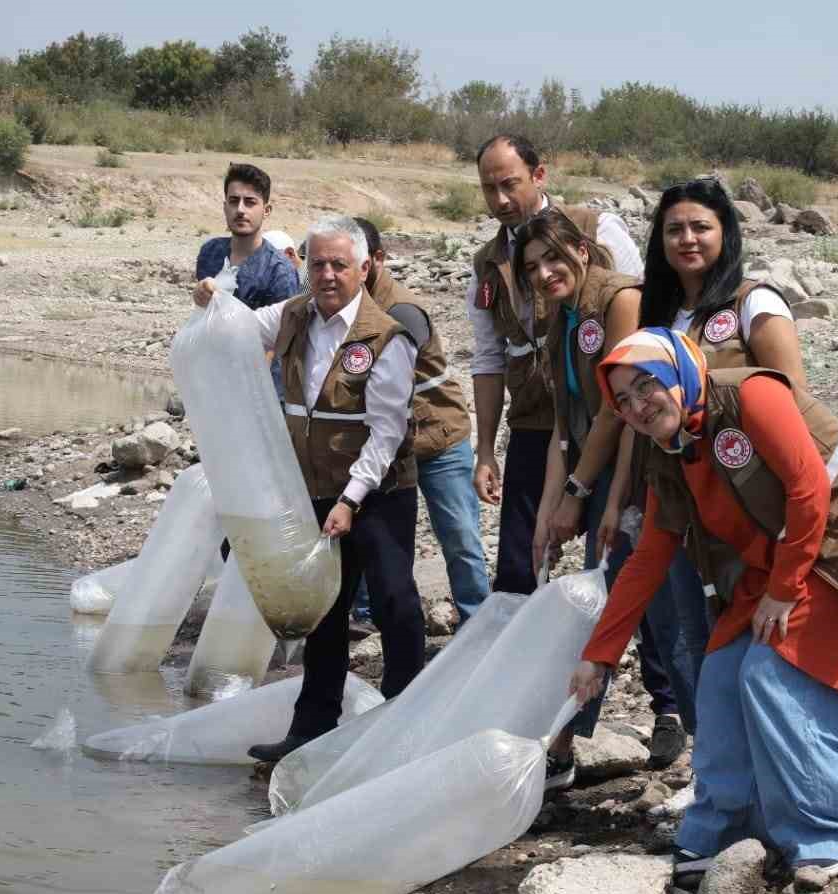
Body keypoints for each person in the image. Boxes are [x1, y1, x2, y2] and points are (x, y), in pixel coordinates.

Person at [568, 328, 838, 880]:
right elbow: (649, 557)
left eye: (646, 385)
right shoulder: (669, 452)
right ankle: (728, 830)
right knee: (721, 676)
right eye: (622, 401)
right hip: (783, 566)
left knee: (772, 673)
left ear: (680, 371)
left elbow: (807, 489)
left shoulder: (750, 395)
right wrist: (600, 654)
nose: (637, 407)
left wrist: (783, 589)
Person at [194, 216, 426, 762]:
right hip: (312, 490)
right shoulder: (295, 315)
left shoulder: (385, 335)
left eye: (339, 265)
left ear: (365, 269)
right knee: (324, 610)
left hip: (378, 491)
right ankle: (312, 728)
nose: (326, 275)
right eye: (317, 264)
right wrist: (213, 300)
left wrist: (351, 501)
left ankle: (405, 722)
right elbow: (239, 329)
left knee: (394, 601)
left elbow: (387, 432)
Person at [625, 175, 812, 769]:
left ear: (725, 233)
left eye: (701, 226)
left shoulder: (754, 304)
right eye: (674, 228)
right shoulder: (655, 314)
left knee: (755, 635)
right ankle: (717, 764)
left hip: (753, 509)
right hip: (683, 503)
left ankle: (777, 765)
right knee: (688, 631)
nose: (687, 239)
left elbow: (796, 407)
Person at [466, 133, 642, 598]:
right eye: (489, 189)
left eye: (510, 184)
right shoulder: (487, 264)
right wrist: (485, 448)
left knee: (616, 559)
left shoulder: (595, 230)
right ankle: (522, 659)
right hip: (539, 418)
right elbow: (487, 359)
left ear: (539, 175)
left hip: (613, 417)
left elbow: (642, 317)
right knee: (523, 558)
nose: (501, 200)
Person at [511, 208, 640, 789]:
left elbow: (622, 408)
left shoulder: (619, 300)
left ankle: (692, 741)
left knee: (647, 616)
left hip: (636, 479)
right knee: (593, 612)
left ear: (582, 249)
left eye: (554, 258)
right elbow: (565, 425)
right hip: (591, 471)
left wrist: (586, 496)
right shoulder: (558, 319)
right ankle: (561, 742)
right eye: (533, 267)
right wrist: (547, 511)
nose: (544, 273)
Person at [349, 216, 490, 626]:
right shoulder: (341, 303)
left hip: (437, 437)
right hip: (390, 443)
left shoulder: (403, 312)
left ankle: (476, 622)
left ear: (377, 259)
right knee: (371, 530)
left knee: (460, 536)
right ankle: (367, 613)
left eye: (356, 261)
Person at [193, 163, 301, 313]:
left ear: (266, 210)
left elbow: (284, 329)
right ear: (225, 207)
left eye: (250, 202)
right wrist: (200, 294)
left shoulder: (279, 271)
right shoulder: (210, 252)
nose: (240, 210)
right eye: (234, 201)